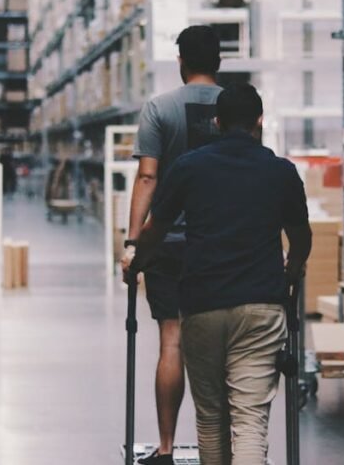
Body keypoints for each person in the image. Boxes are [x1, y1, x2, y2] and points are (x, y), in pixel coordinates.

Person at [131, 84, 313, 465]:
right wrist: (291, 271)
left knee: (212, 419)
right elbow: (301, 238)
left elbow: (155, 230)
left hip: (202, 306)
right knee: (249, 420)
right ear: (259, 121)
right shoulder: (282, 172)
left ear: (216, 122)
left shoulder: (189, 167)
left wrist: (136, 261)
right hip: (261, 307)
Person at [121, 25, 224, 465]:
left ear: (180, 60)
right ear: (219, 61)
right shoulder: (237, 106)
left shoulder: (159, 108)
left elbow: (148, 176)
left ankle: (165, 449)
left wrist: (131, 242)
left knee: (172, 341)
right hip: (220, 242)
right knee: (220, 345)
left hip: (169, 242)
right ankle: (217, 448)